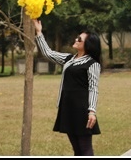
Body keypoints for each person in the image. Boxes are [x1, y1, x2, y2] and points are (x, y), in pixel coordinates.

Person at [34, 18, 102, 156]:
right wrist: (39, 32)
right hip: (68, 108)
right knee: (76, 149)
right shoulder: (69, 59)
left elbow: (93, 88)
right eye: (77, 37)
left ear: (88, 45)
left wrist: (92, 111)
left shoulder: (92, 64)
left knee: (85, 149)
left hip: (82, 111)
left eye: (80, 39)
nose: (76, 40)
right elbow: (49, 53)